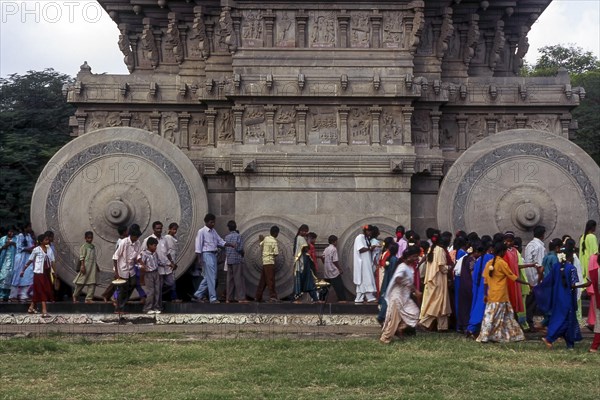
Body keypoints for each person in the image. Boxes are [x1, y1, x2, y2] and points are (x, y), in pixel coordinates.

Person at [476, 241, 530, 343]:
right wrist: (526, 283)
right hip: (501, 296)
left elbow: (485, 281)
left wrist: (485, 294)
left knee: (503, 317)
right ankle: (485, 336)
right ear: (502, 252)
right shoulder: (502, 263)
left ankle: (511, 335)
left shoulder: (488, 264)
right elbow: (513, 277)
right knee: (496, 318)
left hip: (492, 295)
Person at [537, 246, 591, 349]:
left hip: (558, 297)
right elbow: (573, 285)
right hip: (568, 298)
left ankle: (570, 345)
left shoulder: (556, 267)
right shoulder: (572, 269)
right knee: (567, 321)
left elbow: (548, 280)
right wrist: (585, 285)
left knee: (565, 319)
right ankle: (550, 338)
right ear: (571, 256)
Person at [380, 246, 422, 344]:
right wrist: (413, 289)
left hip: (405, 296)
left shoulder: (410, 267)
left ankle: (400, 328)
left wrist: (413, 290)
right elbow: (398, 278)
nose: (416, 259)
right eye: (415, 256)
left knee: (415, 313)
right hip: (397, 296)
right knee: (394, 320)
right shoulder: (402, 266)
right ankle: (385, 338)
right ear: (409, 257)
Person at [193, 213, 230, 304]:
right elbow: (198, 246)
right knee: (211, 277)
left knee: (209, 277)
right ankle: (212, 298)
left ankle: (197, 294)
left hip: (213, 255)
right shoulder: (201, 231)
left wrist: (229, 244)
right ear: (206, 222)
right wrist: (199, 259)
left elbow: (220, 241)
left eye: (214, 222)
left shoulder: (213, 231)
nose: (213, 224)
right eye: (211, 222)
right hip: (206, 254)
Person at [419, 232, 452, 331]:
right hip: (438, 279)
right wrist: (450, 267)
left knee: (441, 302)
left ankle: (443, 326)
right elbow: (442, 267)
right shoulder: (440, 250)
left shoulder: (430, 249)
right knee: (437, 302)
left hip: (431, 279)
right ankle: (424, 322)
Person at [142, 221, 177, 310]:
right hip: (155, 268)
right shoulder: (148, 240)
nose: (159, 230)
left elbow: (168, 252)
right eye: (157, 228)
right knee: (156, 290)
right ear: (153, 229)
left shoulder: (164, 239)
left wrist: (171, 262)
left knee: (170, 283)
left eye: (160, 228)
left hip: (166, 266)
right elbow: (143, 253)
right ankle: (156, 306)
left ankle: (156, 305)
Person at [20, 234, 55, 317]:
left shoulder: (49, 248)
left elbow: (52, 260)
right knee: (42, 290)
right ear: (41, 241)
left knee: (39, 291)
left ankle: (31, 308)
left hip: (46, 272)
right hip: (38, 273)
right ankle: (44, 311)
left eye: (48, 240)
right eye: (46, 240)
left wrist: (54, 271)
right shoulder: (36, 250)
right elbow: (30, 260)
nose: (48, 241)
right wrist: (23, 270)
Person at [466, 241, 494, 337]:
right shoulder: (491, 259)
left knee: (476, 306)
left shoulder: (479, 260)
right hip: (486, 287)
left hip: (477, 286)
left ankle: (472, 328)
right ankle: (473, 329)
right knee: (482, 308)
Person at [113, 226, 142, 313]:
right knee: (122, 289)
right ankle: (118, 308)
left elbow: (138, 255)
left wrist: (141, 263)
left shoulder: (138, 242)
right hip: (122, 269)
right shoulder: (124, 242)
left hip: (131, 269)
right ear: (131, 236)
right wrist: (116, 272)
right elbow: (115, 257)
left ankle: (122, 303)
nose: (137, 239)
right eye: (136, 237)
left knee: (133, 284)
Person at [522, 225, 546, 329]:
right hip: (536, 277)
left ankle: (528, 321)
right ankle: (531, 322)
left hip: (529, 276)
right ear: (543, 235)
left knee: (530, 301)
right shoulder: (539, 247)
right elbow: (540, 265)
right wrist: (540, 279)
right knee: (534, 302)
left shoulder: (529, 245)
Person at [457, 243, 481, 333]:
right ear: (476, 252)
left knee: (463, 305)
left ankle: (461, 325)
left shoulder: (465, 258)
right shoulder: (472, 260)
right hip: (469, 285)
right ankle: (467, 325)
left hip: (463, 284)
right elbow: (472, 273)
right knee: (468, 305)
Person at [9, 223, 35, 302]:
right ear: (25, 228)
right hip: (21, 258)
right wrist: (29, 249)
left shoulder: (29, 236)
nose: (31, 228)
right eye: (29, 227)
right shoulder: (20, 236)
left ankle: (24, 295)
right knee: (17, 275)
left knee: (27, 275)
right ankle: (12, 295)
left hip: (27, 257)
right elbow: (19, 247)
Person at [292, 224, 319, 303]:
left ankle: (314, 298)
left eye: (306, 231)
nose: (306, 232)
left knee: (308, 279)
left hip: (305, 261)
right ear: (301, 231)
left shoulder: (299, 238)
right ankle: (298, 298)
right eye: (305, 231)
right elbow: (306, 248)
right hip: (302, 261)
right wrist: (308, 240)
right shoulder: (300, 238)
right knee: (304, 278)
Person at [102, 225, 128, 304]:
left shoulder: (121, 241)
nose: (128, 232)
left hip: (121, 266)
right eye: (127, 231)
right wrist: (117, 270)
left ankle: (107, 296)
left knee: (116, 283)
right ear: (124, 232)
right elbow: (117, 256)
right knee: (118, 284)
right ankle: (113, 298)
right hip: (120, 266)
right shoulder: (121, 242)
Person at [579, 220, 598, 329]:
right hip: (592, 268)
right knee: (595, 297)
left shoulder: (583, 237)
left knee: (593, 298)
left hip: (585, 268)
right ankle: (593, 320)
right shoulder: (592, 237)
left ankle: (592, 320)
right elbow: (595, 253)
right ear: (593, 227)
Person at [72, 231, 99, 303]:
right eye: (88, 238)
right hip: (86, 266)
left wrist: (96, 266)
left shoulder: (93, 247)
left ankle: (88, 298)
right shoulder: (83, 247)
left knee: (92, 282)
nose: (90, 239)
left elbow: (94, 257)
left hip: (92, 267)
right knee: (81, 282)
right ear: (85, 238)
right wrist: (82, 266)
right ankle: (75, 295)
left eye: (91, 238)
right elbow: (82, 257)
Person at [376, 243, 400, 324]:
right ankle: (382, 316)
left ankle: (383, 316)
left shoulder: (388, 259)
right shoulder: (395, 260)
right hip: (391, 282)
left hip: (386, 281)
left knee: (386, 299)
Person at [224, 220, 247, 303]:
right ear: (235, 227)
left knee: (230, 280)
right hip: (237, 259)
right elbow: (240, 248)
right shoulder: (238, 236)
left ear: (228, 228)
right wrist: (243, 253)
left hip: (229, 260)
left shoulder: (226, 237)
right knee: (238, 279)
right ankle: (241, 298)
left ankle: (228, 298)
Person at [353, 225, 377, 303]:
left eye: (371, 231)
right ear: (365, 231)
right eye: (368, 231)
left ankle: (360, 297)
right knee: (366, 277)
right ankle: (369, 296)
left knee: (364, 278)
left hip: (366, 261)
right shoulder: (360, 237)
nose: (370, 233)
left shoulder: (366, 238)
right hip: (362, 262)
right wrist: (370, 248)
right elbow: (360, 249)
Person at [255, 225, 280, 302]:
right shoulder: (274, 241)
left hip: (264, 262)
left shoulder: (266, 238)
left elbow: (260, 244)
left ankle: (258, 297)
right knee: (270, 280)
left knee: (263, 281)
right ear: (276, 233)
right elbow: (276, 253)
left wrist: (261, 239)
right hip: (270, 262)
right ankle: (273, 297)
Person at [139, 237, 162, 314]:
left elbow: (158, 262)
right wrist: (142, 277)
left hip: (156, 272)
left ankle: (156, 307)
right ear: (149, 245)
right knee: (150, 291)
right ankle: (147, 308)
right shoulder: (144, 254)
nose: (155, 247)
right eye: (154, 246)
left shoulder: (155, 253)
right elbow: (141, 265)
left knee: (157, 290)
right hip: (148, 274)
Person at [322, 235, 347, 303]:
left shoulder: (326, 249)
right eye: (336, 241)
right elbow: (335, 260)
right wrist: (339, 269)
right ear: (334, 241)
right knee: (339, 286)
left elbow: (323, 257)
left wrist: (325, 264)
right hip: (333, 270)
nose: (337, 243)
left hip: (327, 270)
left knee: (326, 286)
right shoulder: (334, 249)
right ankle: (342, 299)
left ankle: (322, 299)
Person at [163, 222, 181, 303]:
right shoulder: (167, 237)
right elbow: (167, 251)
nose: (174, 231)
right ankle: (173, 297)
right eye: (173, 229)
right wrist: (170, 262)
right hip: (168, 263)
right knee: (171, 281)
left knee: (172, 280)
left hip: (173, 261)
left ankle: (172, 297)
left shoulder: (174, 238)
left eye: (176, 230)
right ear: (169, 229)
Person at [0, 227, 17, 301]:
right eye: (10, 231)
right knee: (3, 276)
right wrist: (5, 245)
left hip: (14, 260)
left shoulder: (16, 239)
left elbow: (21, 248)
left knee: (11, 277)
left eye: (12, 232)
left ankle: (8, 295)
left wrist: (14, 244)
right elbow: (0, 248)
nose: (11, 233)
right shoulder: (2, 239)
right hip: (4, 260)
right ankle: (1, 295)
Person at [588, 252, 600, 352]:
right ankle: (594, 347)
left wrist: (576, 286)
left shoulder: (594, 272)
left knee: (599, 324)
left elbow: (588, 282)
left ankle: (594, 347)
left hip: (598, 300)